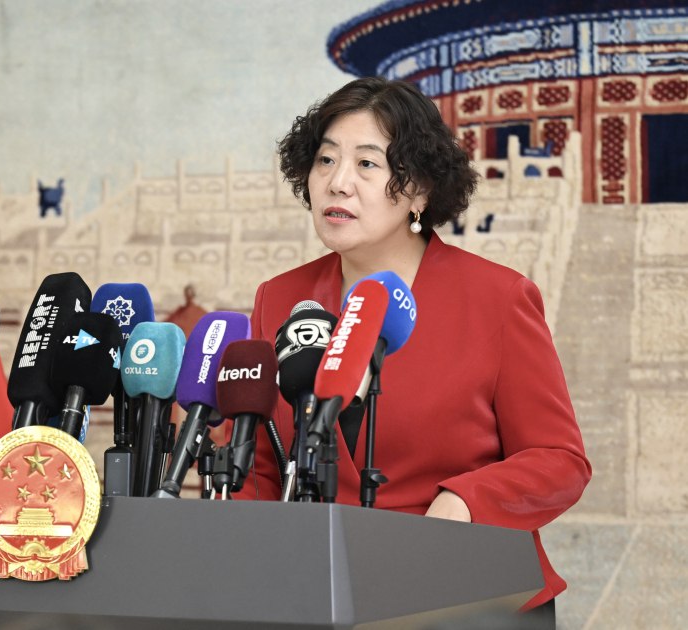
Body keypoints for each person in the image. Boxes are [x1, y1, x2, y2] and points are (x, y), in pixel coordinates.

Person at [234, 77, 591, 623]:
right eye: (326, 160)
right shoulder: (280, 298)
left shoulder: (497, 298)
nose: (338, 183)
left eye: (367, 164)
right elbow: (260, 462)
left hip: (467, 599)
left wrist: (465, 501)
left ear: (419, 190)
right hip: (320, 596)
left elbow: (559, 460)